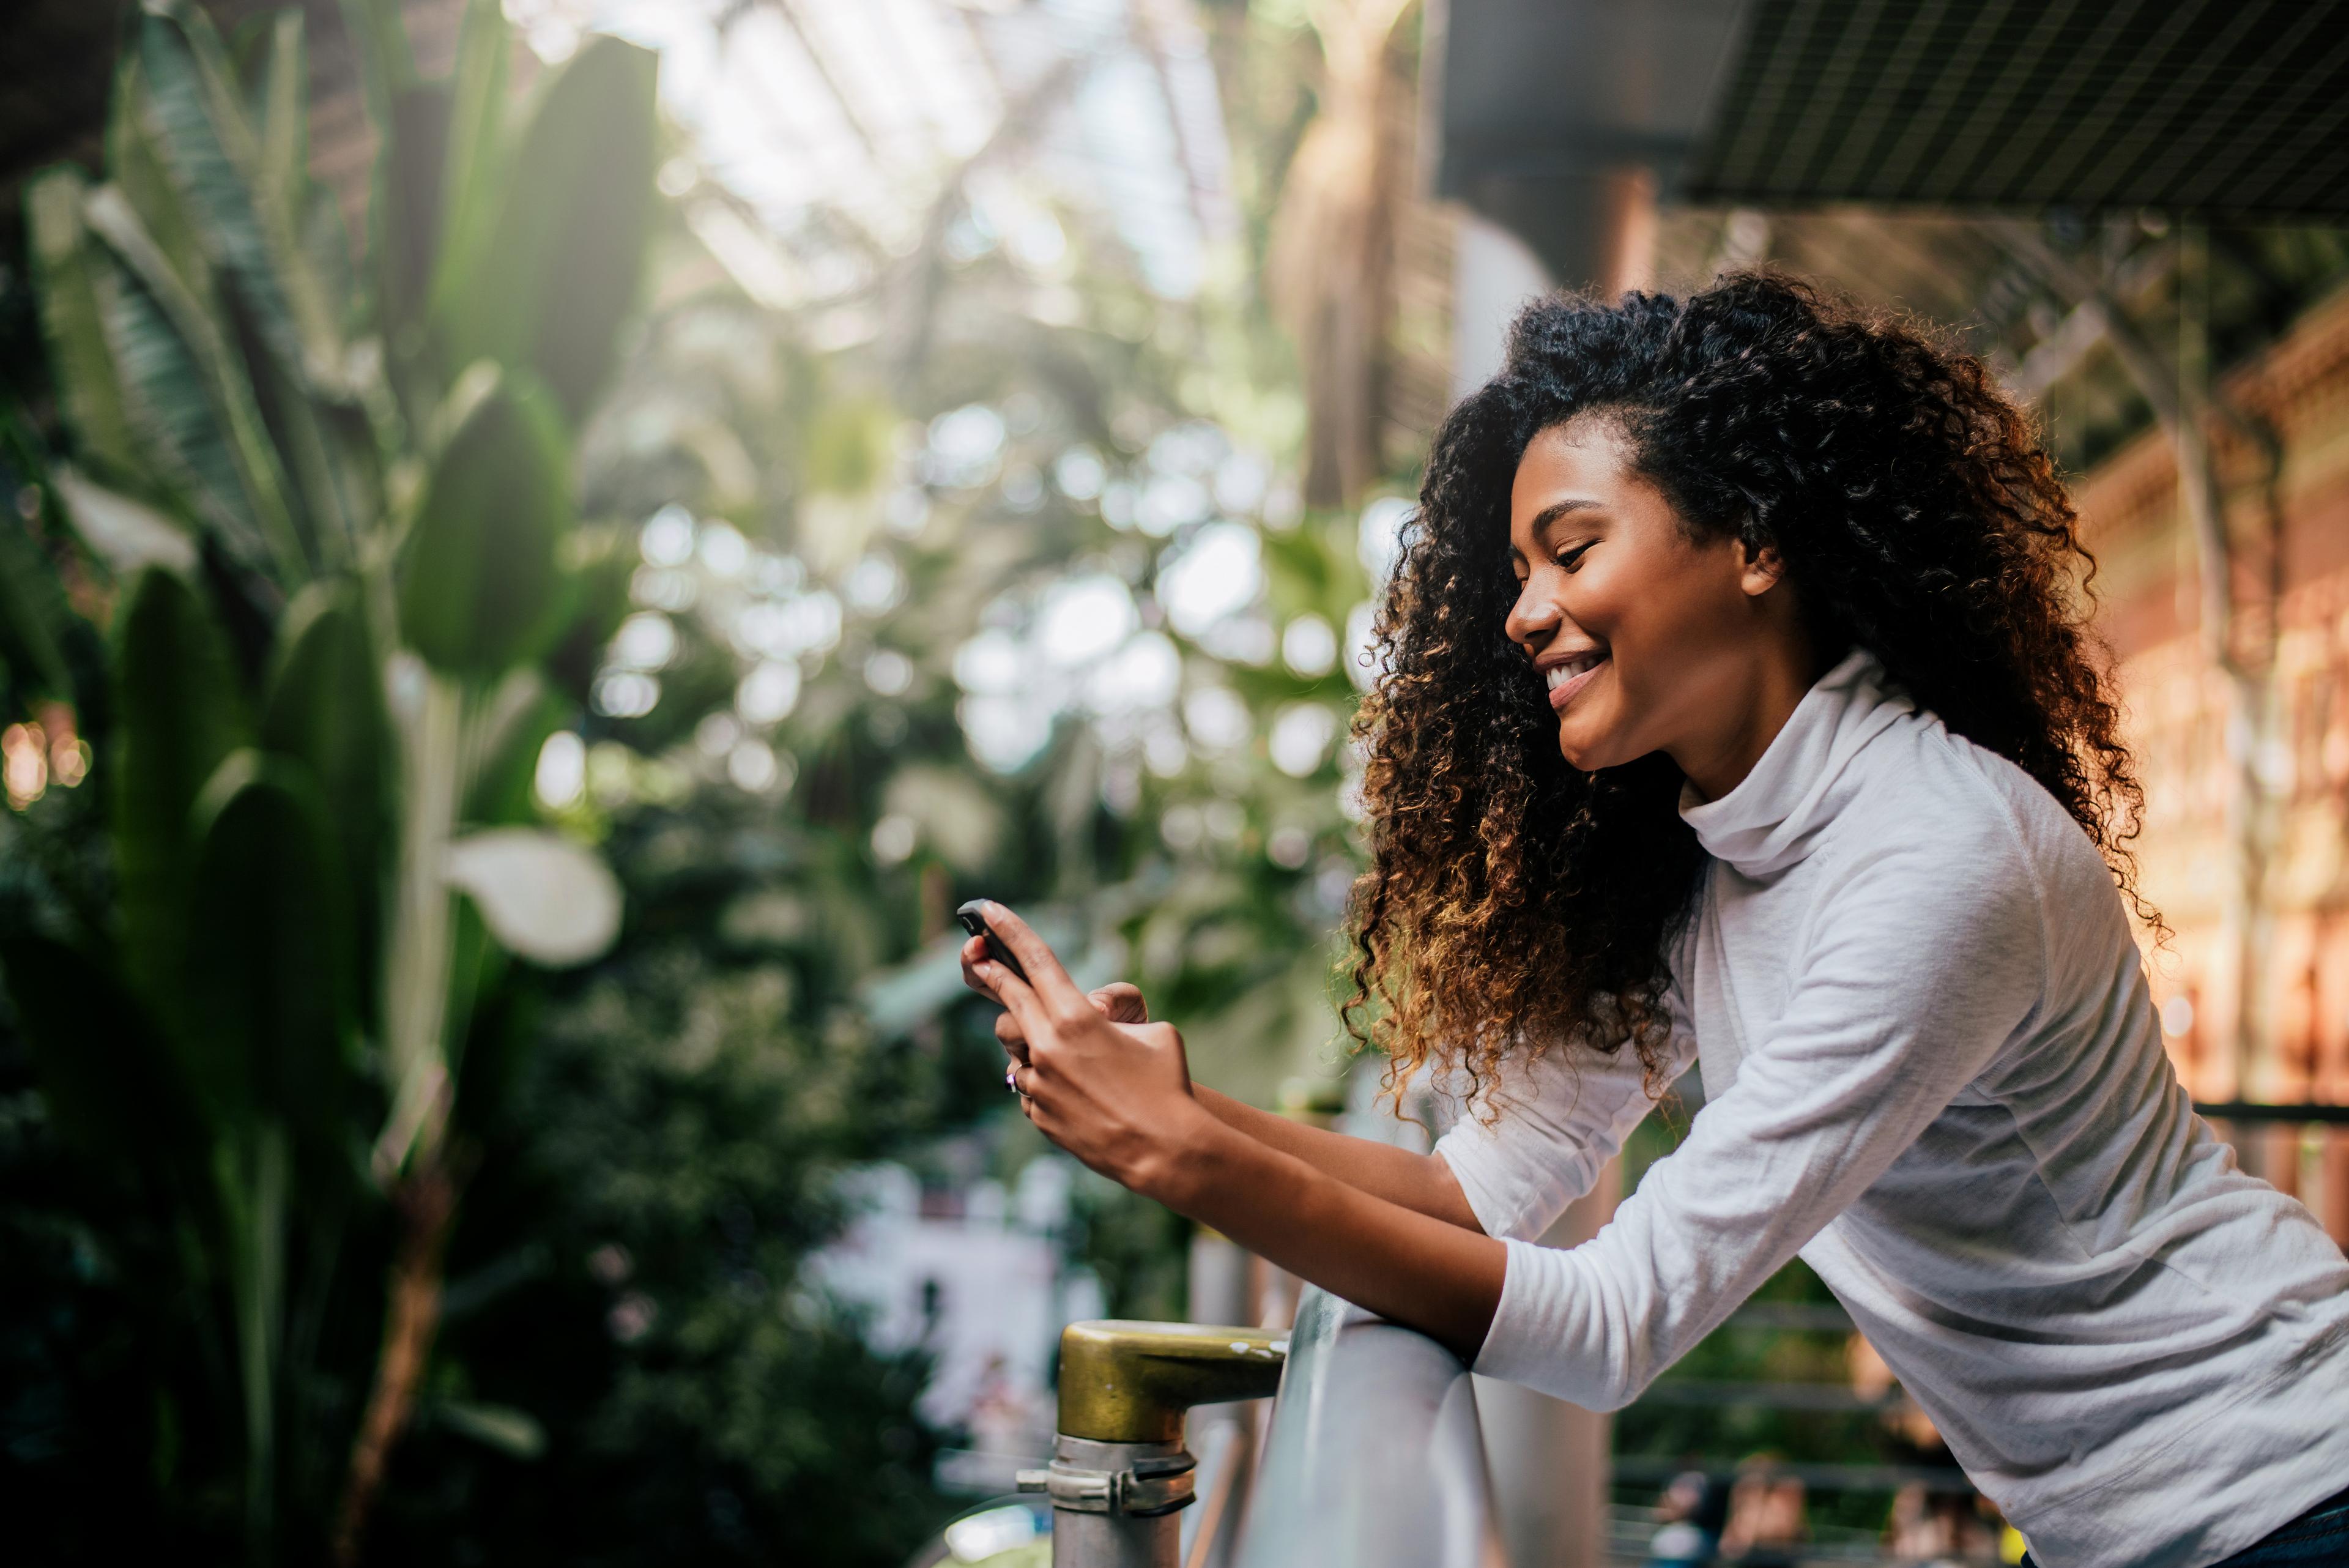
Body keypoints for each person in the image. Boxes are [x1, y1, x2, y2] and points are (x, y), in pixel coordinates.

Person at [960, 273, 2349, 1568]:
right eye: (1516, 569)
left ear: (1753, 537)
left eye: (1571, 548)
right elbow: (1469, 1192)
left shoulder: (1936, 855)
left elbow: (1618, 1318)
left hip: (2284, 1483)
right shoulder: (1715, 855)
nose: (1523, 612)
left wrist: (1193, 1159)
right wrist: (1186, 1115)